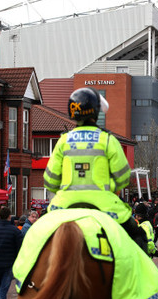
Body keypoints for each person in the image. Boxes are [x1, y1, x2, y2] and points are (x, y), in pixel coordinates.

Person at [43, 87, 146, 250]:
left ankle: (23, 275)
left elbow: (50, 180)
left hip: (64, 205)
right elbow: (123, 177)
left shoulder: (63, 140)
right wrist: (109, 187)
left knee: (35, 239)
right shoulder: (107, 140)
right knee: (139, 237)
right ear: (96, 113)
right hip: (105, 206)